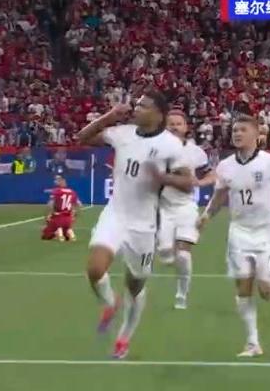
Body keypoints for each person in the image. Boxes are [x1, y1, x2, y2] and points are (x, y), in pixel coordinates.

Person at [77, 91, 193, 359]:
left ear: (159, 114)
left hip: (144, 224)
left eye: (143, 106)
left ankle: (124, 338)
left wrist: (163, 178)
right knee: (95, 269)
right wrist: (109, 116)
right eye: (137, 104)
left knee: (136, 285)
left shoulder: (171, 145)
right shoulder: (123, 133)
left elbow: (188, 183)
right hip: (115, 214)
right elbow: (82, 138)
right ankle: (110, 303)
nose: (136, 109)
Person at [198, 115, 270, 357]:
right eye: (235, 130)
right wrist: (206, 216)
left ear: (257, 135)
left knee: (267, 292)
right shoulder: (225, 166)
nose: (237, 133)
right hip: (239, 233)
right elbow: (220, 195)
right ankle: (252, 342)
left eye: (243, 130)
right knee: (243, 286)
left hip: (267, 234)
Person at [158, 110, 216, 310]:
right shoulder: (153, 149)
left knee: (183, 255)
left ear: (185, 127)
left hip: (186, 207)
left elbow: (212, 175)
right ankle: (167, 253)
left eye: (178, 123)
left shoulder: (195, 152)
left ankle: (181, 294)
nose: (174, 127)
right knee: (165, 253)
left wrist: (199, 182)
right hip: (162, 207)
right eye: (170, 124)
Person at [41, 175, 81, 242]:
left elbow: (50, 204)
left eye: (57, 180)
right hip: (68, 218)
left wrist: (47, 215)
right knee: (66, 229)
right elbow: (79, 204)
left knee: (45, 234)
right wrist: (74, 215)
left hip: (58, 217)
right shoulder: (72, 191)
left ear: (60, 182)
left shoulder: (57, 191)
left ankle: (58, 232)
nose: (55, 182)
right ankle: (69, 232)